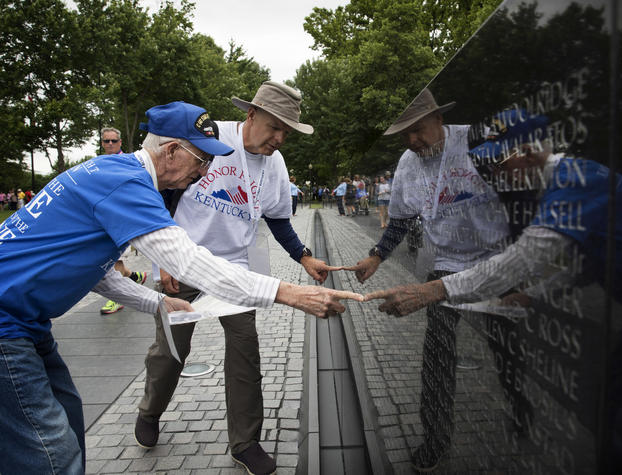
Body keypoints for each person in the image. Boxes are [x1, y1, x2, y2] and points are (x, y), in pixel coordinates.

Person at [0, 100, 361, 475]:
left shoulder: (113, 173)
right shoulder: (127, 185)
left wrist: (156, 302)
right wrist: (290, 293)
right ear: (172, 150)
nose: (206, 172)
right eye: (202, 161)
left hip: (28, 323)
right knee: (51, 453)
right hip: (7, 324)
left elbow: (98, 271)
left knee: (66, 418)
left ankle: (245, 441)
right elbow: (187, 261)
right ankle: (148, 413)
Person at [365, 109, 622, 474]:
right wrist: (535, 295)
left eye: (499, 164)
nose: (495, 175)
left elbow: (522, 260)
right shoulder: (574, 178)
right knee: (612, 401)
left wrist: (433, 290)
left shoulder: (574, 183)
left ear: (529, 151)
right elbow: (589, 264)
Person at [135, 82, 343, 475]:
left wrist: (304, 257)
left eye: (287, 132)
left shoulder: (275, 165)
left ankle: (245, 442)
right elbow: (162, 192)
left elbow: (278, 220)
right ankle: (150, 410)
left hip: (235, 272)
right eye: (275, 128)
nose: (280, 139)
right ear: (251, 115)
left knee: (246, 352)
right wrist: (162, 262)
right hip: (184, 262)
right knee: (171, 353)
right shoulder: (211, 140)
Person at [348, 88, 510, 472]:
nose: (412, 140)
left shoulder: (479, 142)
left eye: (418, 130)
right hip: (447, 263)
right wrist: (376, 256)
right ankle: (435, 435)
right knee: (437, 349)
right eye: (405, 134)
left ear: (440, 119)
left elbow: (520, 194)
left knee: (508, 347)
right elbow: (401, 218)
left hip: (499, 260)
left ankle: (519, 411)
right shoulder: (408, 162)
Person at [98, 127, 148, 315]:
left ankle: (116, 299)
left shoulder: (129, 162)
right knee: (115, 263)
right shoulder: (100, 163)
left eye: (113, 141)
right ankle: (136, 276)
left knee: (114, 262)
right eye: (106, 141)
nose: (110, 144)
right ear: (102, 143)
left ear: (120, 143)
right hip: (105, 220)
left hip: (123, 219)